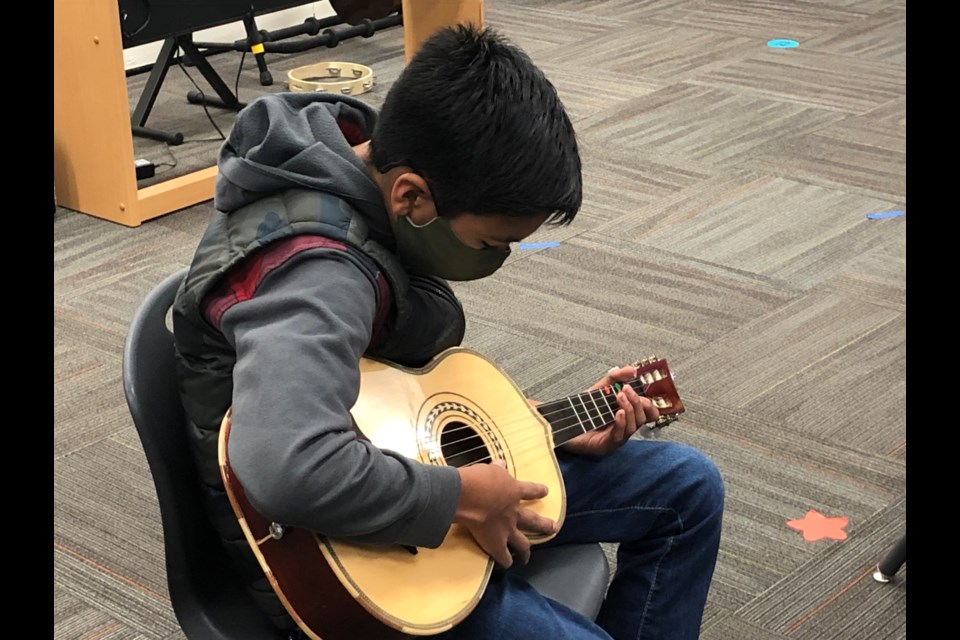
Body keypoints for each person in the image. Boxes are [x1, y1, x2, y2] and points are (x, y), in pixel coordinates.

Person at [172, 24, 724, 640]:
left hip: (397, 469)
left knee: (688, 487)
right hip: (343, 563)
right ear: (412, 196)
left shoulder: (368, 168)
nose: (497, 259)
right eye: (491, 242)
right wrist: (460, 497)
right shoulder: (316, 276)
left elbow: (383, 391)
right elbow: (287, 467)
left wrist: (546, 428)